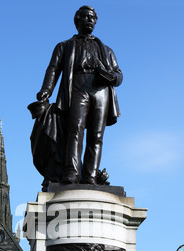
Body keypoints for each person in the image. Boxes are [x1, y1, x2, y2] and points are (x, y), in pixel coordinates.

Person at [36, 5, 123, 185]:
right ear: (77, 20)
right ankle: (72, 173)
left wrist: (111, 77)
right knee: (74, 131)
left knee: (96, 135)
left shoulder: (106, 50)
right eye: (86, 16)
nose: (90, 20)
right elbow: (53, 69)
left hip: (100, 90)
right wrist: (46, 89)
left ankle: (90, 176)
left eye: (93, 17)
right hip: (77, 86)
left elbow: (119, 74)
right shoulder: (65, 46)